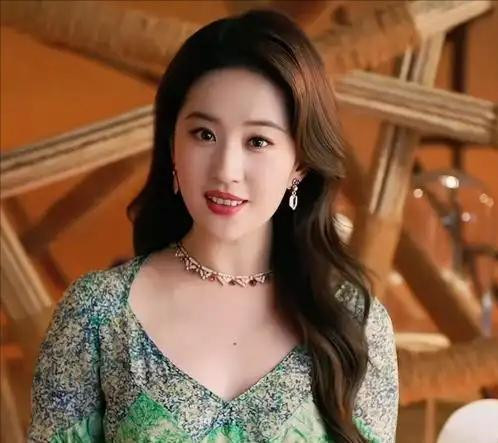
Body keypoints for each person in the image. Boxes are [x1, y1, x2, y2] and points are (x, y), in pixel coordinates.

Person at [27, 8, 399, 443]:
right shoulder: (97, 315)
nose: (226, 170)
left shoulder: (354, 323)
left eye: (257, 141)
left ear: (299, 162)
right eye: (204, 134)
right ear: (172, 144)